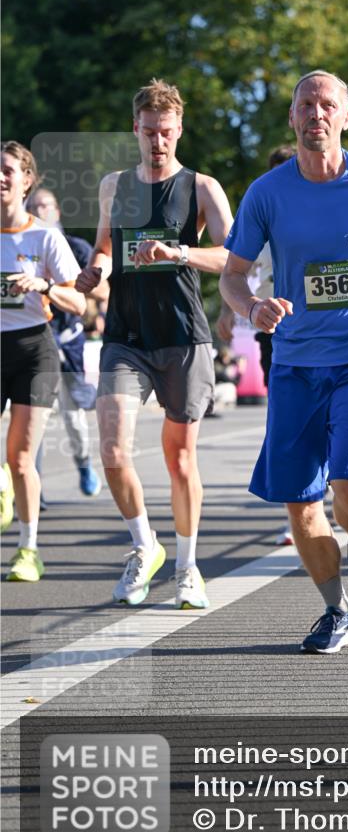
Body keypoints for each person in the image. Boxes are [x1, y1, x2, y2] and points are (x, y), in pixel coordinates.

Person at [220, 70, 348, 654]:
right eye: (305, 104)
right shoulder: (267, 192)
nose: (316, 113)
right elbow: (233, 276)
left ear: (344, 116)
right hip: (294, 366)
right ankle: (337, 611)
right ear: (292, 117)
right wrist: (253, 306)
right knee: (300, 502)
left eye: (327, 104)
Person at [76, 79, 233, 607]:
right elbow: (103, 243)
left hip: (184, 336)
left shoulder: (202, 188)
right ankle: (145, 547)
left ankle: (188, 567)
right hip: (125, 334)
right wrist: (94, 270)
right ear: (136, 130)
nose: (158, 142)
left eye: (166, 132)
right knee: (115, 451)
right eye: (149, 132)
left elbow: (236, 260)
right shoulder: (113, 186)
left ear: (179, 129)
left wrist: (179, 253)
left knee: (180, 458)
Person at [1, 142, 86, 582]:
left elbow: (80, 303)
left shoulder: (44, 236)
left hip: (34, 349)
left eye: (7, 170)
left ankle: (28, 549)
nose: (0, 178)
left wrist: (43, 285)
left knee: (19, 458)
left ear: (27, 180)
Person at [217, 144, 297, 546]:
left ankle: (337, 489)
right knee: (285, 419)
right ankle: (296, 510)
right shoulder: (261, 219)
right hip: (273, 331)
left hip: (318, 329)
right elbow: (236, 271)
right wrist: (230, 311)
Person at [26, 188, 106, 498]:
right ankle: (35, 486)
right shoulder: (17, 246)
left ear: (57, 212)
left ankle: (84, 464)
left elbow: (104, 291)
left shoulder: (76, 248)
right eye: (33, 207)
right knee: (33, 418)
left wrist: (74, 289)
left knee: (73, 418)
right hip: (33, 339)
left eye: (45, 205)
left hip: (69, 339)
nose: (39, 211)